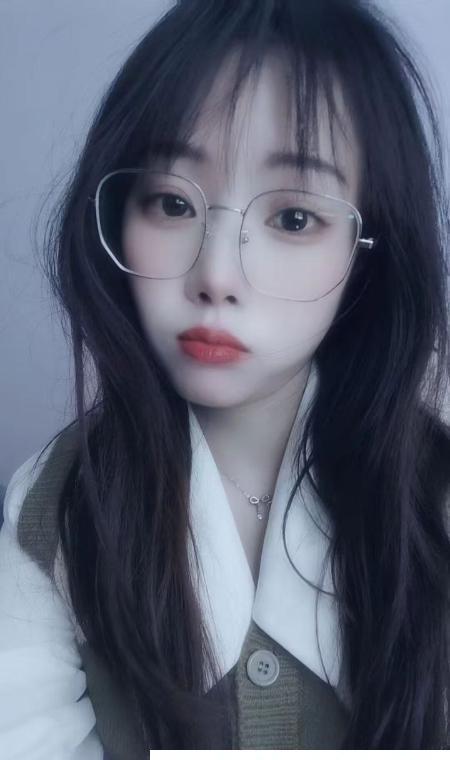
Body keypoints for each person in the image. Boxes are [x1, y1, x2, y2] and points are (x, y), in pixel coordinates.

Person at [1, 0, 449, 755]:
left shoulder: (433, 484)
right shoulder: (57, 504)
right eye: (172, 202)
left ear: (368, 246)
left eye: (294, 218)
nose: (215, 275)